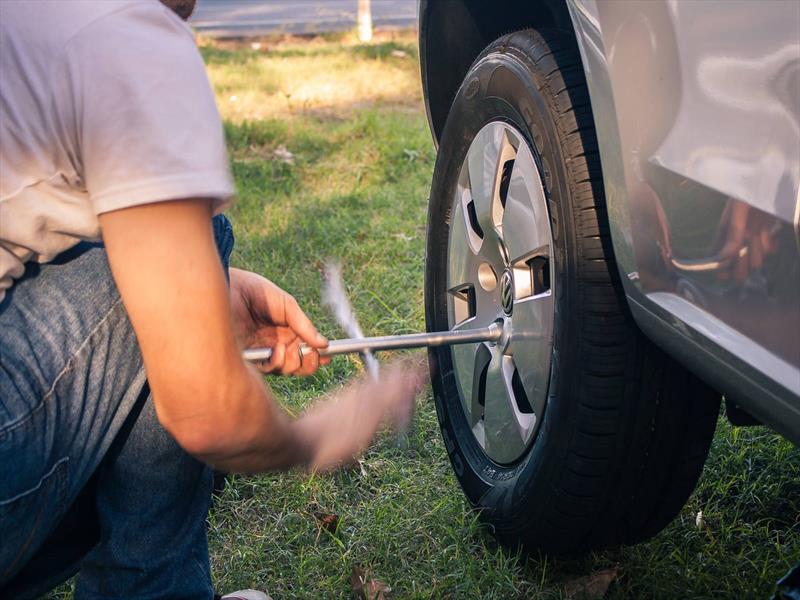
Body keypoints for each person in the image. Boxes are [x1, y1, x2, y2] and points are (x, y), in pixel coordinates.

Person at [0, 1, 426, 598]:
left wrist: (207, 291)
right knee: (206, 238)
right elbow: (205, 410)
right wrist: (315, 437)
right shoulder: (129, 37)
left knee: (188, 260)